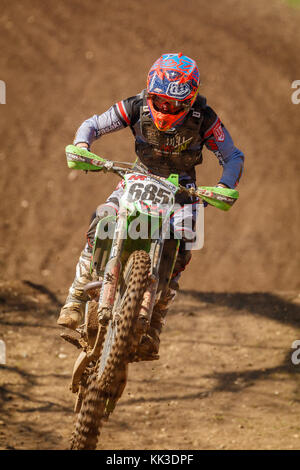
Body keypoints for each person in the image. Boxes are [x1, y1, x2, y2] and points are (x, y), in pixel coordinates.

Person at [57, 53, 244, 359]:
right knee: (101, 221)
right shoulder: (136, 106)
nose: (164, 107)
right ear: (150, 92)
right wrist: (81, 145)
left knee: (183, 248)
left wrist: (224, 185)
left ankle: (155, 322)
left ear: (189, 101)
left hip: (183, 188)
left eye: (173, 104)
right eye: (159, 100)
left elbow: (232, 155)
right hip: (139, 177)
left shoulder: (204, 118)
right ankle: (76, 297)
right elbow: (94, 124)